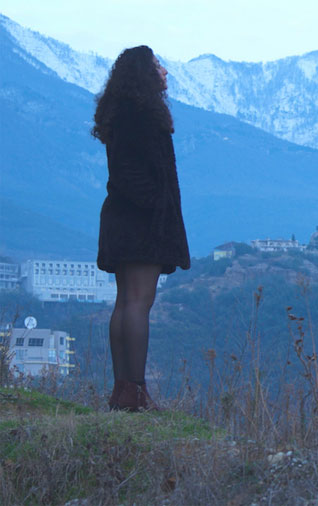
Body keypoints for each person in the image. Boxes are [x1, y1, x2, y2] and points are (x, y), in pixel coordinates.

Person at [91, 46, 190, 411]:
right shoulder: (141, 113)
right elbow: (132, 175)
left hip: (122, 217)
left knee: (125, 303)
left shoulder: (123, 112)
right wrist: (156, 205)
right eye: (158, 66)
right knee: (138, 303)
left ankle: (123, 392)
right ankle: (135, 393)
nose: (165, 71)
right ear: (144, 74)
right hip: (140, 222)